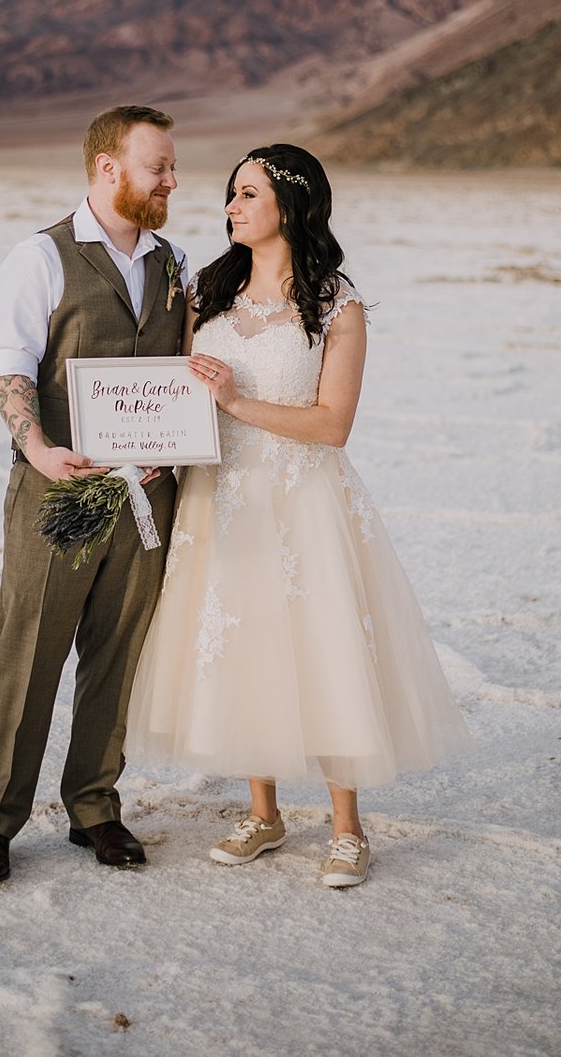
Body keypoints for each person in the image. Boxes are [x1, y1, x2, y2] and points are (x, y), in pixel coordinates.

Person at [126, 144, 473, 888]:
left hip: (304, 499)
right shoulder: (207, 293)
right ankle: (265, 814)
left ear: (291, 204)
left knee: (322, 648)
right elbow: (178, 397)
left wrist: (235, 401)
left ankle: (347, 829)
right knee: (246, 644)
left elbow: (333, 425)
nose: (230, 207)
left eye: (247, 194)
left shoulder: (334, 303)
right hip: (221, 499)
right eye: (230, 194)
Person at [0, 105, 188, 881]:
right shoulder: (40, 258)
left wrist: (175, 443)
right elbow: (9, 366)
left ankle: (95, 807)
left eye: (170, 167)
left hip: (146, 499)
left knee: (118, 654)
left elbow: (182, 370)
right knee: (30, 653)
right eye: (158, 166)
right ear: (108, 168)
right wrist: (37, 448)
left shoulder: (176, 264)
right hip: (57, 491)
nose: (171, 180)